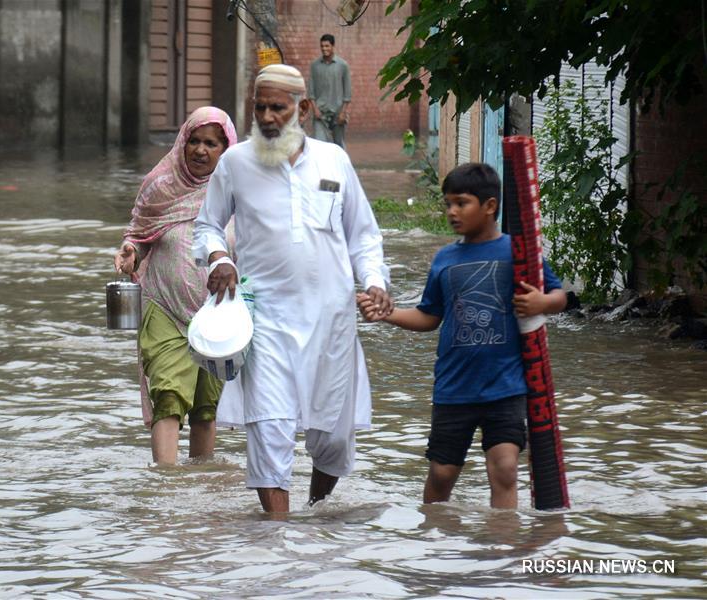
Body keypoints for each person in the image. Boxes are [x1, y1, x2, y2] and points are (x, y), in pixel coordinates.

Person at [192, 64, 392, 513]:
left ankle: (315, 516)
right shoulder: (235, 163)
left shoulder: (333, 160)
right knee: (269, 427)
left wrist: (375, 283)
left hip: (332, 324)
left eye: (277, 108)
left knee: (334, 439)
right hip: (265, 321)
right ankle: (277, 545)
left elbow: (363, 235)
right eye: (259, 106)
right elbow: (205, 227)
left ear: (302, 109)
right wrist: (220, 258)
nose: (266, 116)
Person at [358, 162, 567, 509]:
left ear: (489, 206)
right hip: (454, 388)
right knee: (441, 473)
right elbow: (429, 316)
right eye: (448, 204)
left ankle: (504, 548)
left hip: (506, 387)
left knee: (505, 468)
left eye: (461, 203)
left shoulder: (519, 253)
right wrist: (387, 314)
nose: (452, 212)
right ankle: (436, 536)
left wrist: (541, 301)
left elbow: (559, 297)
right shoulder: (444, 259)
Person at [114, 107, 238, 465]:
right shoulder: (160, 185)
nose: (201, 150)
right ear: (182, 142)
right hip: (164, 308)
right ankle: (166, 486)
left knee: (206, 407)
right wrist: (130, 252)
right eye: (194, 141)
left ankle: (199, 483)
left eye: (211, 144)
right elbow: (138, 234)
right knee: (168, 395)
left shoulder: (236, 193)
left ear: (225, 148)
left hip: (218, 314)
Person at [308, 33, 351, 148]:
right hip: (320, 113)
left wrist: (343, 112)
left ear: (333, 46)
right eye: (322, 46)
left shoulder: (343, 65)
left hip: (338, 112)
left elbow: (347, 92)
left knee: (338, 145)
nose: (324, 49)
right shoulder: (315, 66)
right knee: (319, 145)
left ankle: (339, 165)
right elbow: (311, 91)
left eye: (327, 46)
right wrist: (315, 109)